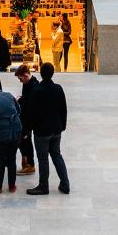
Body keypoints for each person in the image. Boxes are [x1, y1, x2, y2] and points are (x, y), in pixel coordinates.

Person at [26, 62, 70, 196]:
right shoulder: (58, 88)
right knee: (57, 155)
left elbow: (31, 113)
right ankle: (65, 183)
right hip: (56, 129)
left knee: (43, 159)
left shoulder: (37, 91)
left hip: (42, 131)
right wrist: (63, 125)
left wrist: (29, 129)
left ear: (41, 73)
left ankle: (43, 186)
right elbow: (64, 109)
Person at [15, 64, 39, 175]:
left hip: (28, 121)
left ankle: (29, 165)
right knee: (24, 142)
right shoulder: (28, 84)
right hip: (24, 119)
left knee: (25, 142)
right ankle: (27, 164)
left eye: (20, 79)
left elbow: (31, 108)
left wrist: (27, 129)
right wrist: (21, 99)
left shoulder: (33, 86)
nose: (20, 81)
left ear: (25, 75)